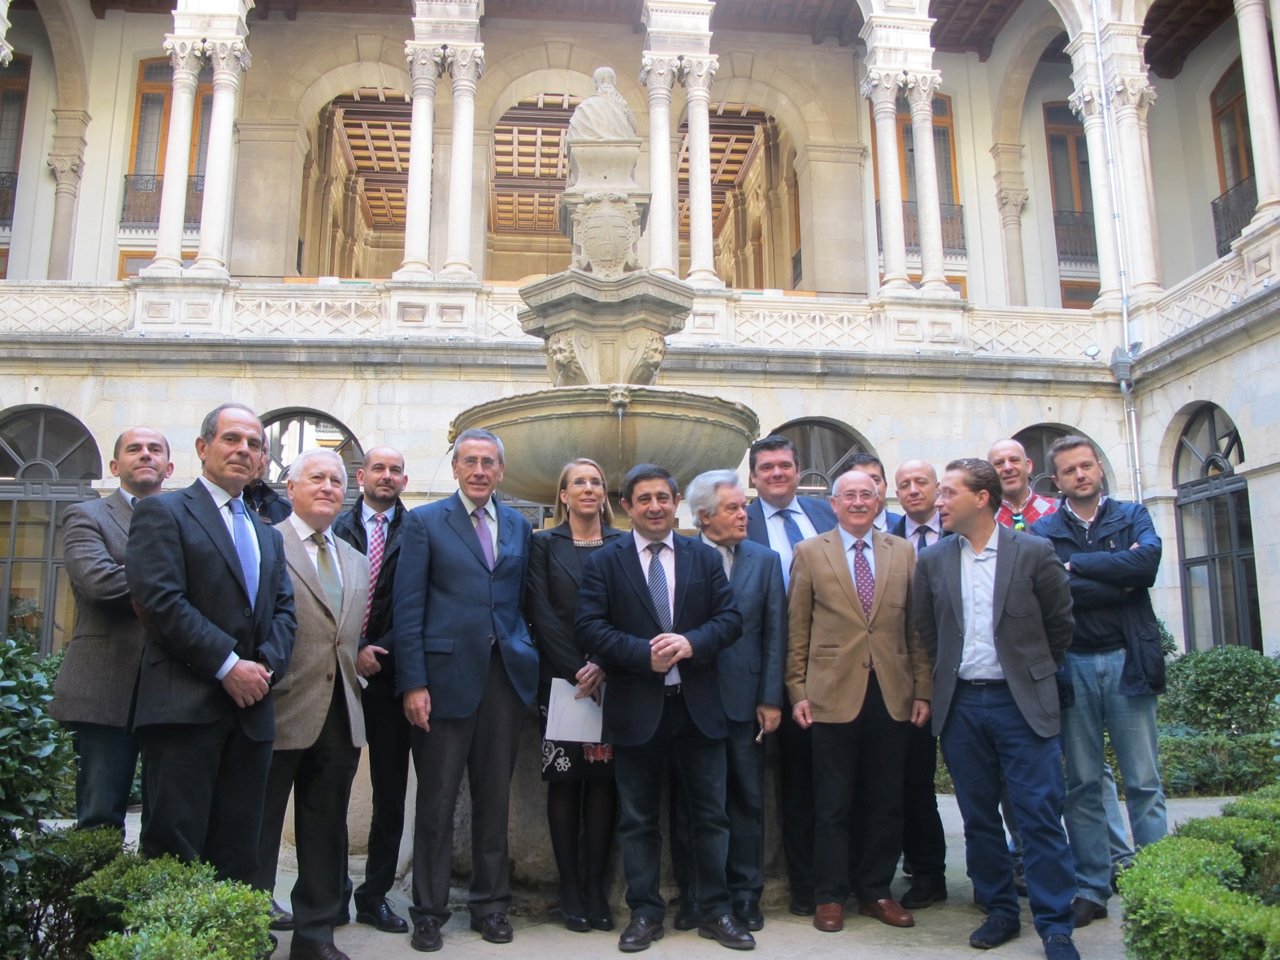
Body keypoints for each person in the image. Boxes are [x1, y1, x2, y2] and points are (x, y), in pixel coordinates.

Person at [576, 464, 751, 953]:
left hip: (698, 708)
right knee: (637, 819)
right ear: (628, 506)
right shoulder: (605, 563)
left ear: (677, 502)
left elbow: (730, 619)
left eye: (663, 497)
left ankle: (717, 910)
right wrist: (640, 654)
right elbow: (588, 627)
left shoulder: (702, 558)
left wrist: (693, 643)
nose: (655, 506)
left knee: (711, 817)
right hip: (637, 708)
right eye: (644, 499)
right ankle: (646, 913)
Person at [913, 458, 1079, 960]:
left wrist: (1030, 674)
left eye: (947, 493)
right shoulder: (934, 561)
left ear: (981, 498)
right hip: (962, 705)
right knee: (978, 816)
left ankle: (1055, 926)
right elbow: (927, 632)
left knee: (1039, 816)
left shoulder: (1034, 552)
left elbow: (1060, 625)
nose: (938, 502)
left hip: (1021, 704)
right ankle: (1000, 910)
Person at [125, 403, 296, 883]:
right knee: (175, 850)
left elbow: (285, 613)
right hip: (184, 711)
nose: (244, 450)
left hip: (251, 715)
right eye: (232, 439)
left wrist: (263, 670)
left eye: (255, 445)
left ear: (263, 460)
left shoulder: (269, 536)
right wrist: (227, 666)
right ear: (203, 448)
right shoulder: (163, 512)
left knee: (240, 851)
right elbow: (160, 602)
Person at [393, 428, 538, 953]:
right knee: (435, 802)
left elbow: (523, 601)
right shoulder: (426, 523)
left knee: (494, 801)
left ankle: (491, 905)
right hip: (443, 681)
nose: (479, 470)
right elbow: (407, 607)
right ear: (455, 468)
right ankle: (428, 912)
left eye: (489, 463)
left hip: (503, 679)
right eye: (470, 461)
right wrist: (413, 681)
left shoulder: (520, 526)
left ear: (501, 471)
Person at [1031, 435, 1167, 928]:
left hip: (1128, 661)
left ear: (1100, 470)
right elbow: (1055, 591)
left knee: (1144, 781)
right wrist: (1117, 575)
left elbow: (1145, 567)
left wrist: (1079, 565)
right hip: (1074, 666)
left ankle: (1157, 880)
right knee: (1082, 783)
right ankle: (1092, 885)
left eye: (1086, 466)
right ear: (1057, 480)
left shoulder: (1132, 516)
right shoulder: (1044, 529)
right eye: (1069, 470)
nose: (1080, 475)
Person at [786, 469, 930, 934]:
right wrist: (797, 690)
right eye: (849, 495)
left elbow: (916, 628)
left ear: (878, 498)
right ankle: (829, 896)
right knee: (832, 803)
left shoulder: (903, 551)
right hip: (830, 694)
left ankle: (876, 891)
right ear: (833, 503)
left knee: (886, 800)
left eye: (866, 494)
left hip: (892, 694)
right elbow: (797, 630)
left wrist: (923, 688)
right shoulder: (810, 553)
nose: (858, 502)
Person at [988, 437, 1133, 898]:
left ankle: (1116, 855)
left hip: (1067, 650)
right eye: (998, 464)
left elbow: (1063, 592)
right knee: (1027, 768)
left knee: (1087, 766)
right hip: (1019, 662)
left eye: (1014, 460)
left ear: (1029, 466)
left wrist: (1084, 574)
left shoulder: (1056, 512)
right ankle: (1031, 855)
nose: (1007, 468)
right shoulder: (985, 521)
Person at [256, 450, 369, 960]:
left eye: (336, 480)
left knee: (326, 832)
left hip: (340, 714)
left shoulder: (355, 559)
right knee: (258, 831)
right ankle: (251, 928)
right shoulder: (264, 543)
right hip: (277, 710)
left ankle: (315, 937)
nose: (328, 486)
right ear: (291, 488)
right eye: (316, 478)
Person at [670, 470, 786, 933]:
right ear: (703, 517)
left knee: (746, 800)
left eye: (745, 506)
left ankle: (745, 895)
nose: (745, 514)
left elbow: (775, 634)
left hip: (745, 702)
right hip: (693, 699)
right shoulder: (679, 556)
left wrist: (771, 697)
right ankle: (694, 896)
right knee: (690, 804)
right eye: (735, 508)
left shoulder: (765, 560)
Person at [51, 426, 174, 835]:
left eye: (154, 450)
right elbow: (100, 583)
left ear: (169, 466)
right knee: (100, 815)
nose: (145, 455)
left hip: (171, 690)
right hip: (105, 685)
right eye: (134, 449)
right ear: (115, 465)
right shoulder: (87, 515)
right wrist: (174, 584)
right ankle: (95, 900)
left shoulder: (182, 519)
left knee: (167, 818)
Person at [526, 459, 626, 933]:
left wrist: (605, 665)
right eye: (579, 482)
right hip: (562, 683)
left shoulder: (624, 545)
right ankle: (569, 888)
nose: (589, 488)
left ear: (604, 494)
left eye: (596, 482)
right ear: (562, 495)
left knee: (605, 783)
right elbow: (540, 612)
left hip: (614, 679)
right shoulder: (543, 544)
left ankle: (594, 888)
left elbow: (631, 610)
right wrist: (577, 671)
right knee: (566, 783)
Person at [742, 434, 835, 917]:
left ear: (798, 471)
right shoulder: (739, 520)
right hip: (757, 669)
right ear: (753, 477)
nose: (777, 474)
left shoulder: (826, 517)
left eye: (784, 466)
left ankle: (812, 886)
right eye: (767, 468)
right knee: (751, 784)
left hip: (819, 670)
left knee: (810, 782)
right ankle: (748, 889)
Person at [331, 446, 412, 935]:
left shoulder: (419, 531)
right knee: (329, 790)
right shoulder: (334, 525)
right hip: (335, 672)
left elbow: (419, 602)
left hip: (390, 676)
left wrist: (375, 649)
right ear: (361, 476)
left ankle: (374, 894)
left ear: (405, 480)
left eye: (395, 470)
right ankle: (331, 890)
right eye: (378, 468)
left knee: (390, 795)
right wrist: (353, 648)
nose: (386, 476)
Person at [887, 460, 948, 909]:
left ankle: (1006, 867)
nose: (912, 490)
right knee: (909, 780)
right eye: (903, 484)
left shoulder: (962, 528)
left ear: (937, 487)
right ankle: (925, 873)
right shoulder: (885, 535)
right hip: (905, 677)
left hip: (965, 668)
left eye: (920, 482)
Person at [844, 452, 903, 532]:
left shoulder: (905, 528)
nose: (868, 487)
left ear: (885, 486)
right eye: (860, 480)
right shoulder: (829, 531)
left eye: (875, 480)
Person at [244, 444, 292, 525]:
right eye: (251, 447)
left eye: (263, 451)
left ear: (268, 461)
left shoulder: (284, 510)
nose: (257, 457)